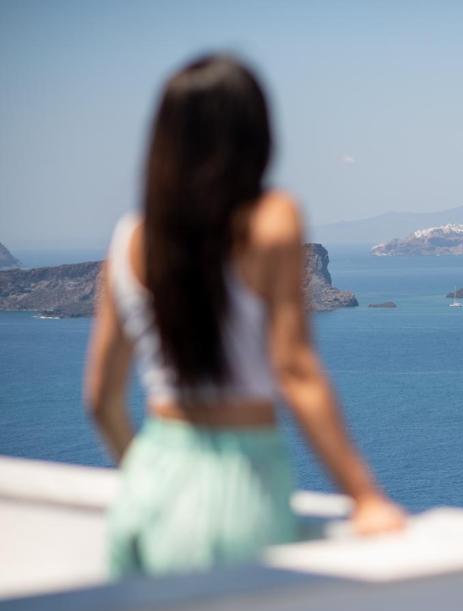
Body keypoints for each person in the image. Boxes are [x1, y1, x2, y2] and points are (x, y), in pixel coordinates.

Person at [84, 53, 406, 578]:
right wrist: (366, 498)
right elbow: (294, 369)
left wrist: (143, 477)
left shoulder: (128, 238)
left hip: (146, 487)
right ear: (255, 131)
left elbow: (101, 398)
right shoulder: (273, 219)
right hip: (236, 486)